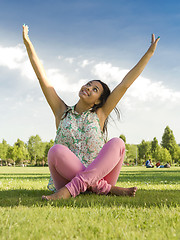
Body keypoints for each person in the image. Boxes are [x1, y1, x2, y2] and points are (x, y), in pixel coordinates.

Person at [23, 24, 160, 200]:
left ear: (98, 101)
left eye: (94, 89)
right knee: (55, 151)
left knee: (118, 143)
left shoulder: (100, 115)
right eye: (88, 84)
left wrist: (149, 54)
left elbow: (125, 84)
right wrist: (28, 44)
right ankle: (108, 189)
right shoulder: (61, 111)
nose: (88, 88)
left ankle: (69, 191)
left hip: (97, 175)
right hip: (65, 178)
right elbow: (42, 78)